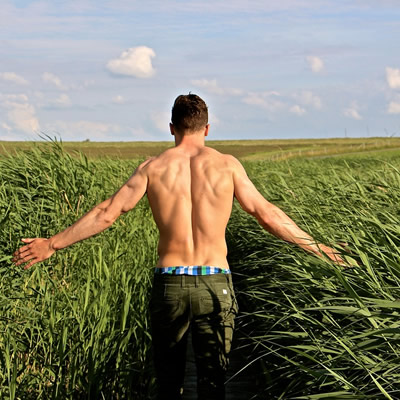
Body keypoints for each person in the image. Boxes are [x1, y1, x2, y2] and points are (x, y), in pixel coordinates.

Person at [13, 94, 345, 400]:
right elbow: (266, 214)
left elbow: (106, 214)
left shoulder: (152, 168)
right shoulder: (227, 166)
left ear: (171, 127)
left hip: (170, 282)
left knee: (169, 384)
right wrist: (323, 249)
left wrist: (52, 244)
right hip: (215, 281)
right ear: (207, 128)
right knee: (213, 383)